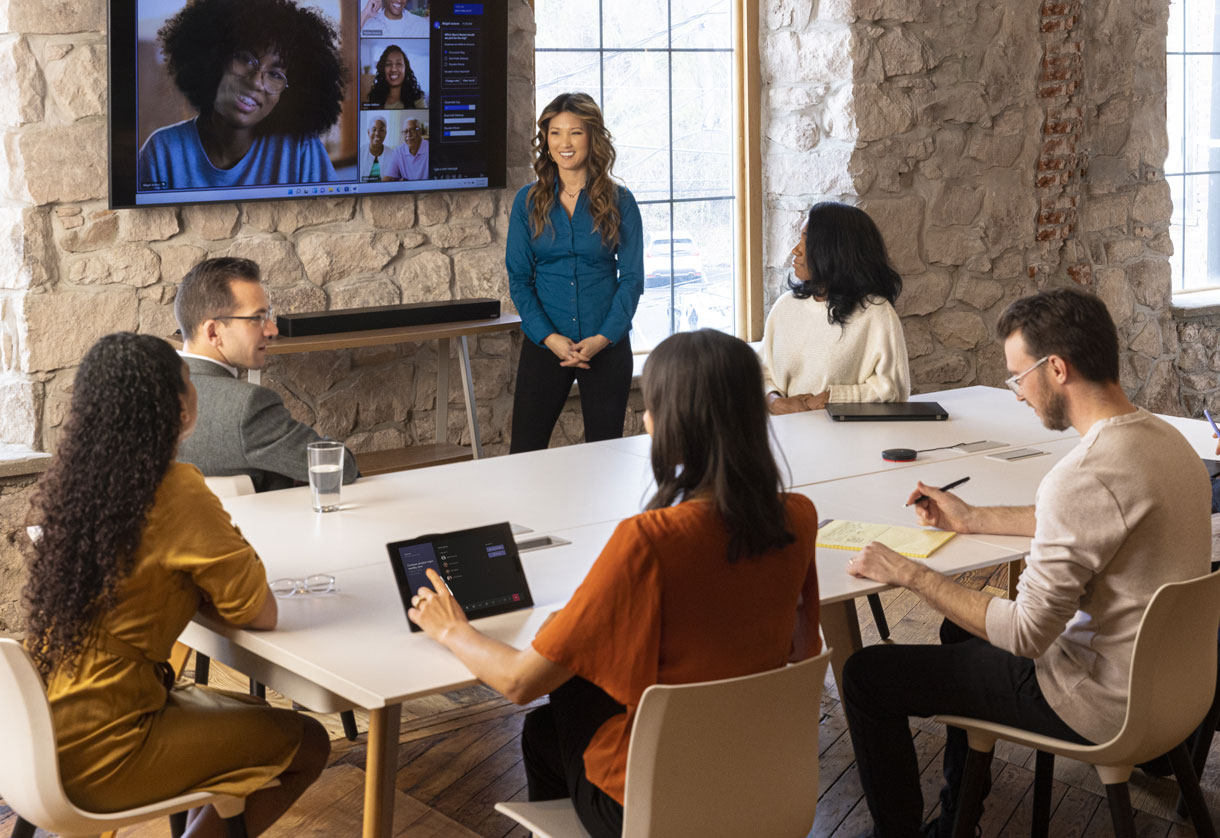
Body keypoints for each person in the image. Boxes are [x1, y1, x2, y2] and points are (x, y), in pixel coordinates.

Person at [408, 329, 822, 838]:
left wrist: (452, 629)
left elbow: (519, 682)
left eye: (651, 408)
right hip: (759, 780)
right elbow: (801, 649)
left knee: (556, 703)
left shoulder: (650, 539)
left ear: (670, 425)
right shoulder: (797, 517)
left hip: (652, 805)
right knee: (545, 730)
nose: (645, 419)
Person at [840, 288, 1211, 838]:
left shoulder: (1083, 476)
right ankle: (957, 815)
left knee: (865, 675)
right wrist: (971, 518)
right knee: (954, 629)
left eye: (1018, 377)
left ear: (1056, 368)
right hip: (1180, 691)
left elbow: (1026, 635)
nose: (1016, 394)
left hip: (1099, 706)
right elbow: (1085, 522)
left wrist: (910, 574)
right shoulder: (1169, 441)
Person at [22, 332, 330, 834]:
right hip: (110, 745)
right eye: (191, 383)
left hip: (42, 727)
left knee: (247, 711)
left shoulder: (78, 480)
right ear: (180, 410)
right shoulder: (177, 488)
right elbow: (262, 612)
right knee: (309, 741)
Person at [505, 92, 644, 453]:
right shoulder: (526, 202)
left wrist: (603, 339)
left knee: (605, 459)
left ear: (592, 137)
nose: (564, 143)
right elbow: (519, 280)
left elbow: (631, 279)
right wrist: (549, 338)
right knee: (525, 454)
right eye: (555, 133)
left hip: (606, 346)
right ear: (546, 140)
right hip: (545, 344)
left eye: (575, 133)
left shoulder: (621, 202)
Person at [175, 257, 357, 492]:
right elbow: (341, 467)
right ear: (213, 332)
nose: (272, 330)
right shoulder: (246, 406)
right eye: (257, 319)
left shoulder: (144, 390)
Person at [137, 0, 343, 190]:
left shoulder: (300, 149)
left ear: (289, 92)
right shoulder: (162, 152)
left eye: (275, 74)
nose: (255, 82)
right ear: (215, 59)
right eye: (245, 58)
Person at [761, 202, 910, 414]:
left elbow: (894, 389)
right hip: (786, 434)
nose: (795, 249)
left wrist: (830, 399)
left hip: (846, 439)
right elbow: (764, 372)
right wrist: (775, 401)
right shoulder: (785, 306)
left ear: (836, 250)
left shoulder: (876, 313)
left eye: (806, 240)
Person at [363, 45, 426, 110]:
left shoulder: (417, 99)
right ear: (383, 69)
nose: (393, 69)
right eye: (388, 64)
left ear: (406, 69)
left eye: (399, 64)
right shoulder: (373, 97)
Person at [364, 117, 391, 181]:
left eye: (381, 130)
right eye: (374, 129)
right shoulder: (360, 152)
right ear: (368, 132)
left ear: (385, 133)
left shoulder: (392, 154)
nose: (377, 133)